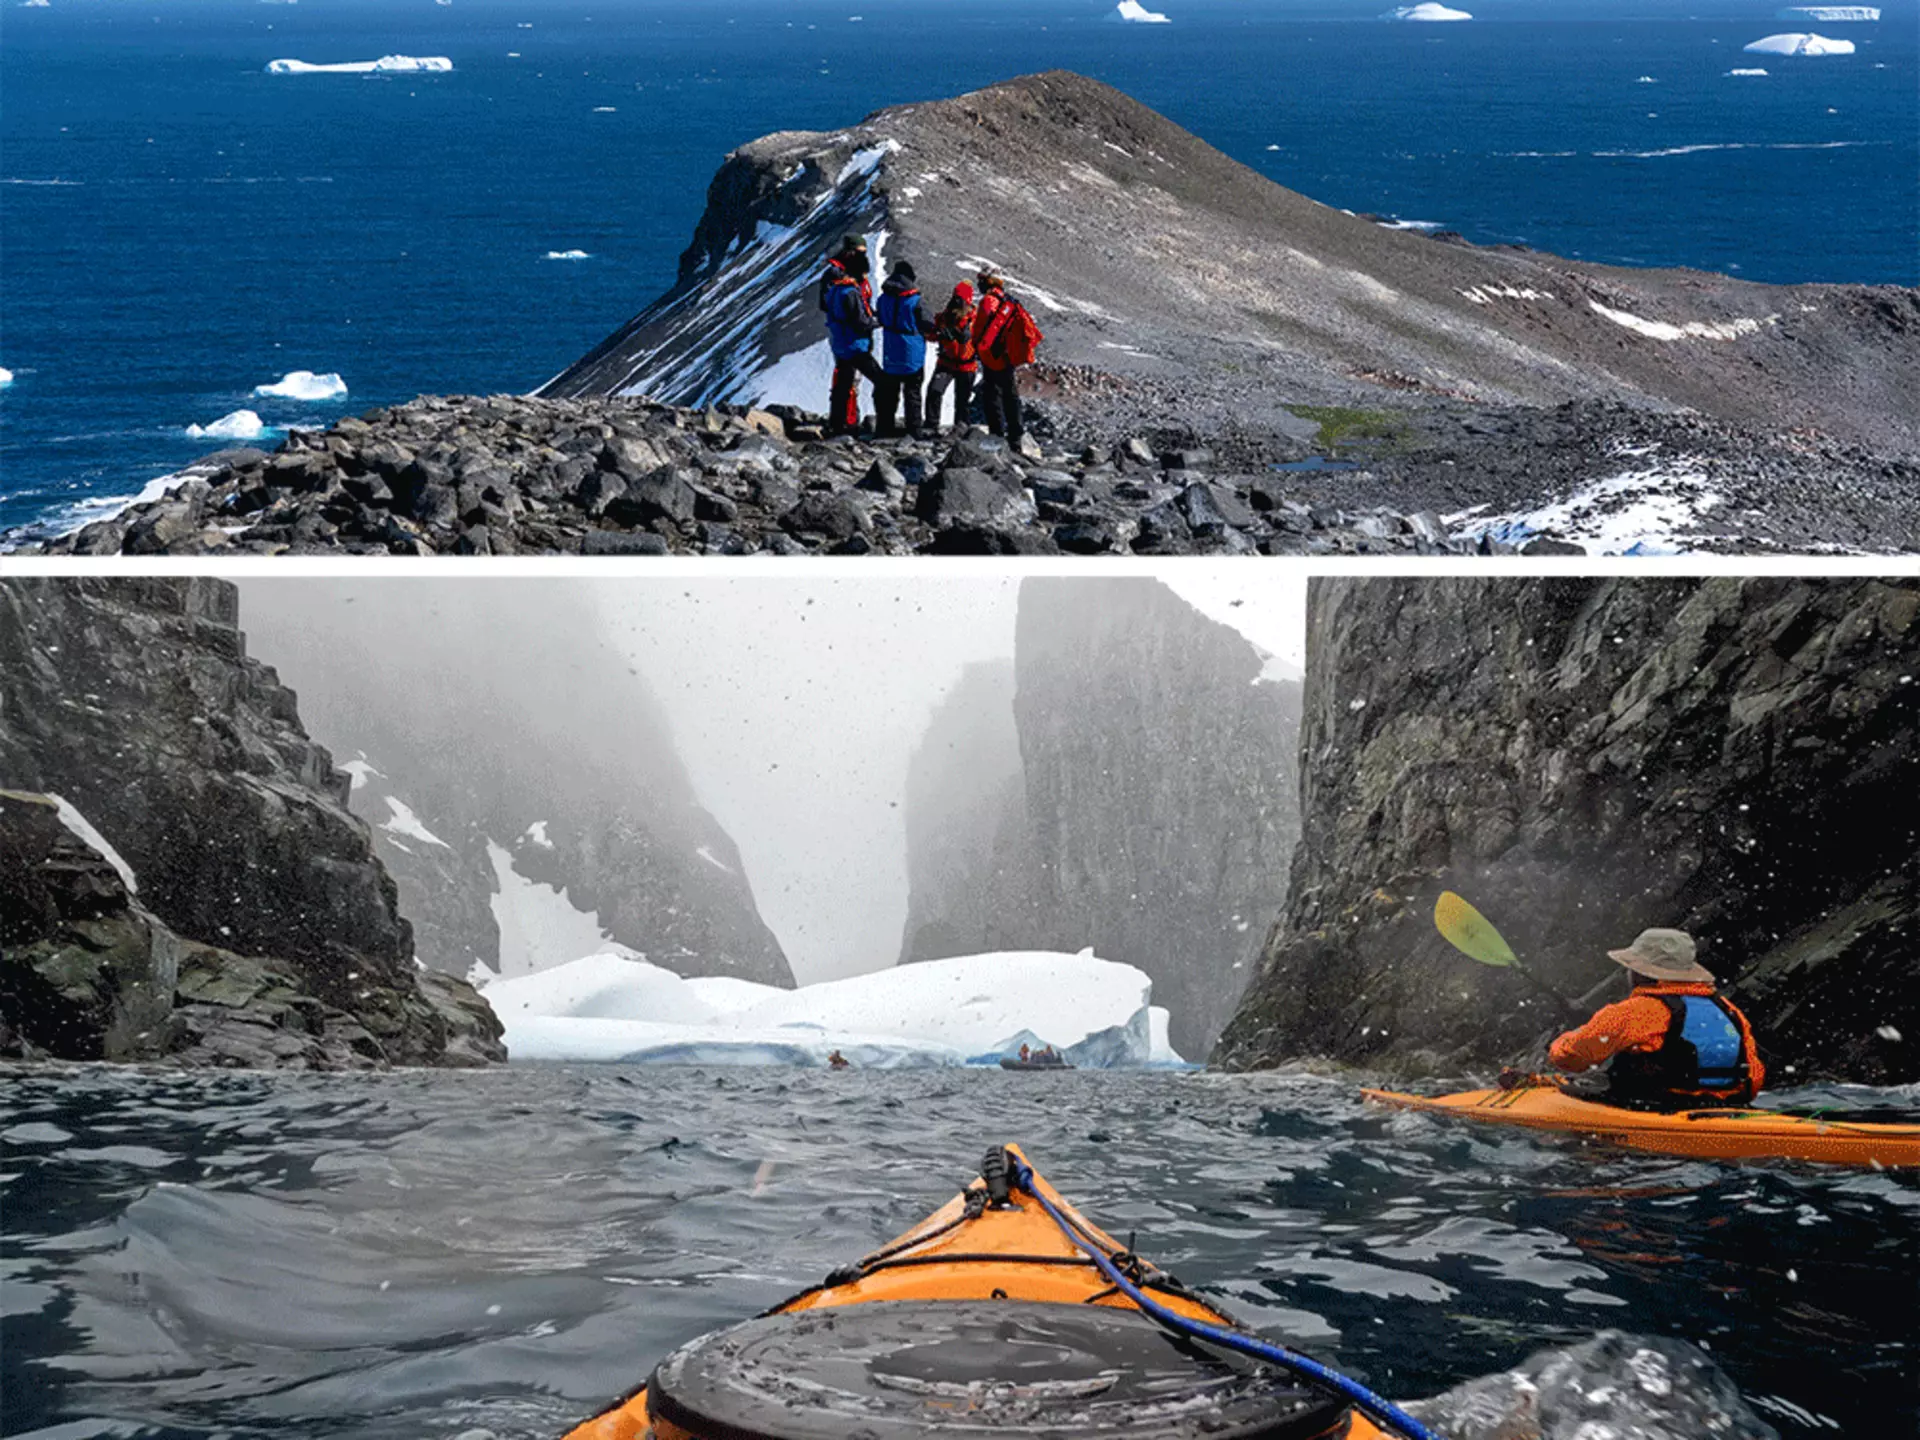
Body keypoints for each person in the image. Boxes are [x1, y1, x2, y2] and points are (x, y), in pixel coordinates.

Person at [1547, 928, 1764, 1110]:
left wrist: (1561, 1041)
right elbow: (1754, 1078)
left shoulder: (1636, 1011)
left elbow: (1571, 1058)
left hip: (1655, 1108)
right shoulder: (1728, 1009)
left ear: (1642, 973)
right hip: (1726, 1107)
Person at [820, 235, 884, 436]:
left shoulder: (847, 278)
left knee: (847, 380)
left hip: (847, 336)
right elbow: (831, 305)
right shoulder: (836, 276)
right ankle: (849, 423)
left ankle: (843, 423)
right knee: (854, 379)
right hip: (851, 336)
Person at [872, 260, 931, 438]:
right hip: (912, 352)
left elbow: (880, 318)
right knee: (912, 392)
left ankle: (884, 428)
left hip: (891, 351)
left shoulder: (883, 299)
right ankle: (914, 430)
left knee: (889, 392)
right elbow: (928, 323)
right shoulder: (915, 301)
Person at [969, 268, 1024, 449]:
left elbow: (978, 329)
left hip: (991, 356)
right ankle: (1016, 436)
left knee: (992, 394)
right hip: (1008, 356)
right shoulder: (1010, 301)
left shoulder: (988, 301)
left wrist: (976, 346)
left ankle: (997, 434)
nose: (979, 284)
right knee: (1011, 394)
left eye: (982, 280)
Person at [923, 283, 979, 434]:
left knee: (962, 401)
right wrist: (940, 335)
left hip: (966, 365)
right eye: (956, 298)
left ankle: (960, 430)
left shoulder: (975, 319)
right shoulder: (945, 317)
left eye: (960, 299)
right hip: (946, 363)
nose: (957, 302)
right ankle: (931, 426)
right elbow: (932, 334)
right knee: (934, 391)